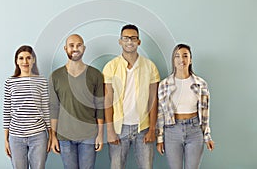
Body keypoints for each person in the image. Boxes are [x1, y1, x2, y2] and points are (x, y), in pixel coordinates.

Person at [103, 24, 160, 169]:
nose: (130, 41)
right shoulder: (111, 67)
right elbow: (108, 100)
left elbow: (154, 100)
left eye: (133, 38)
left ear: (139, 41)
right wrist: (109, 130)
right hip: (118, 128)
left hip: (143, 128)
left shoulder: (150, 66)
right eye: (126, 38)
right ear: (120, 41)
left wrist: (152, 129)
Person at [49, 34, 104, 169]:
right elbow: (53, 108)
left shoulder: (95, 74)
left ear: (84, 48)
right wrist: (53, 136)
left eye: (79, 45)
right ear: (65, 48)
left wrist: (100, 135)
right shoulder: (55, 76)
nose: (75, 48)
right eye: (71, 45)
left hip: (89, 136)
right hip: (64, 137)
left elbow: (100, 107)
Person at [156, 44, 215, 169]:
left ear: (190, 59)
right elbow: (160, 113)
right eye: (177, 56)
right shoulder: (164, 84)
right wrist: (160, 138)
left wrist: (207, 136)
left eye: (185, 56)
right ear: (173, 60)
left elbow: (205, 114)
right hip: (172, 131)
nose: (181, 60)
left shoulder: (200, 84)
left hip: (194, 130)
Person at [3, 45, 51, 169]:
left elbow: (46, 109)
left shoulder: (41, 81)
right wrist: (6, 139)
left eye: (28, 58)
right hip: (16, 136)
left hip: (38, 135)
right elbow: (7, 111)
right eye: (21, 58)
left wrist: (50, 135)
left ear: (33, 60)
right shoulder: (10, 82)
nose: (25, 62)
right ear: (16, 61)